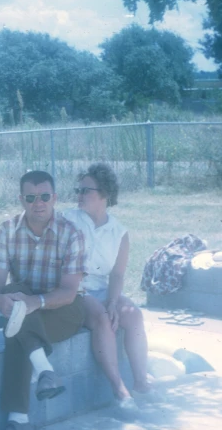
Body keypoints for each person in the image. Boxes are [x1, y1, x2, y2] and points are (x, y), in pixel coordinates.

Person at [0, 170, 87, 430]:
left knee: (16, 327)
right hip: (24, 305)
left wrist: (34, 303)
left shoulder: (71, 233)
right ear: (21, 199)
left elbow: (69, 291)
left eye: (44, 196)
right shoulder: (6, 229)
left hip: (63, 309)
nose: (38, 203)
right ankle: (46, 373)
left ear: (54, 198)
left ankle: (18, 422)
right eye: (31, 197)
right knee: (11, 297)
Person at [64, 163, 156, 411]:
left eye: (86, 190)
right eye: (78, 190)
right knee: (102, 318)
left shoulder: (119, 232)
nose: (79, 195)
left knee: (133, 315)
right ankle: (119, 389)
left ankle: (141, 382)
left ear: (105, 193)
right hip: (74, 287)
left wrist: (114, 302)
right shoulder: (66, 220)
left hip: (102, 288)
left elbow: (117, 274)